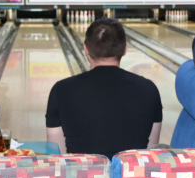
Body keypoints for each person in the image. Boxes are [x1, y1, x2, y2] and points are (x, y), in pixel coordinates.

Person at [46, 18, 162, 159]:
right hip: (131, 173)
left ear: (85, 49)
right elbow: (150, 152)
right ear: (125, 49)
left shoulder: (61, 90)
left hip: (82, 172)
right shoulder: (149, 89)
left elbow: (57, 155)